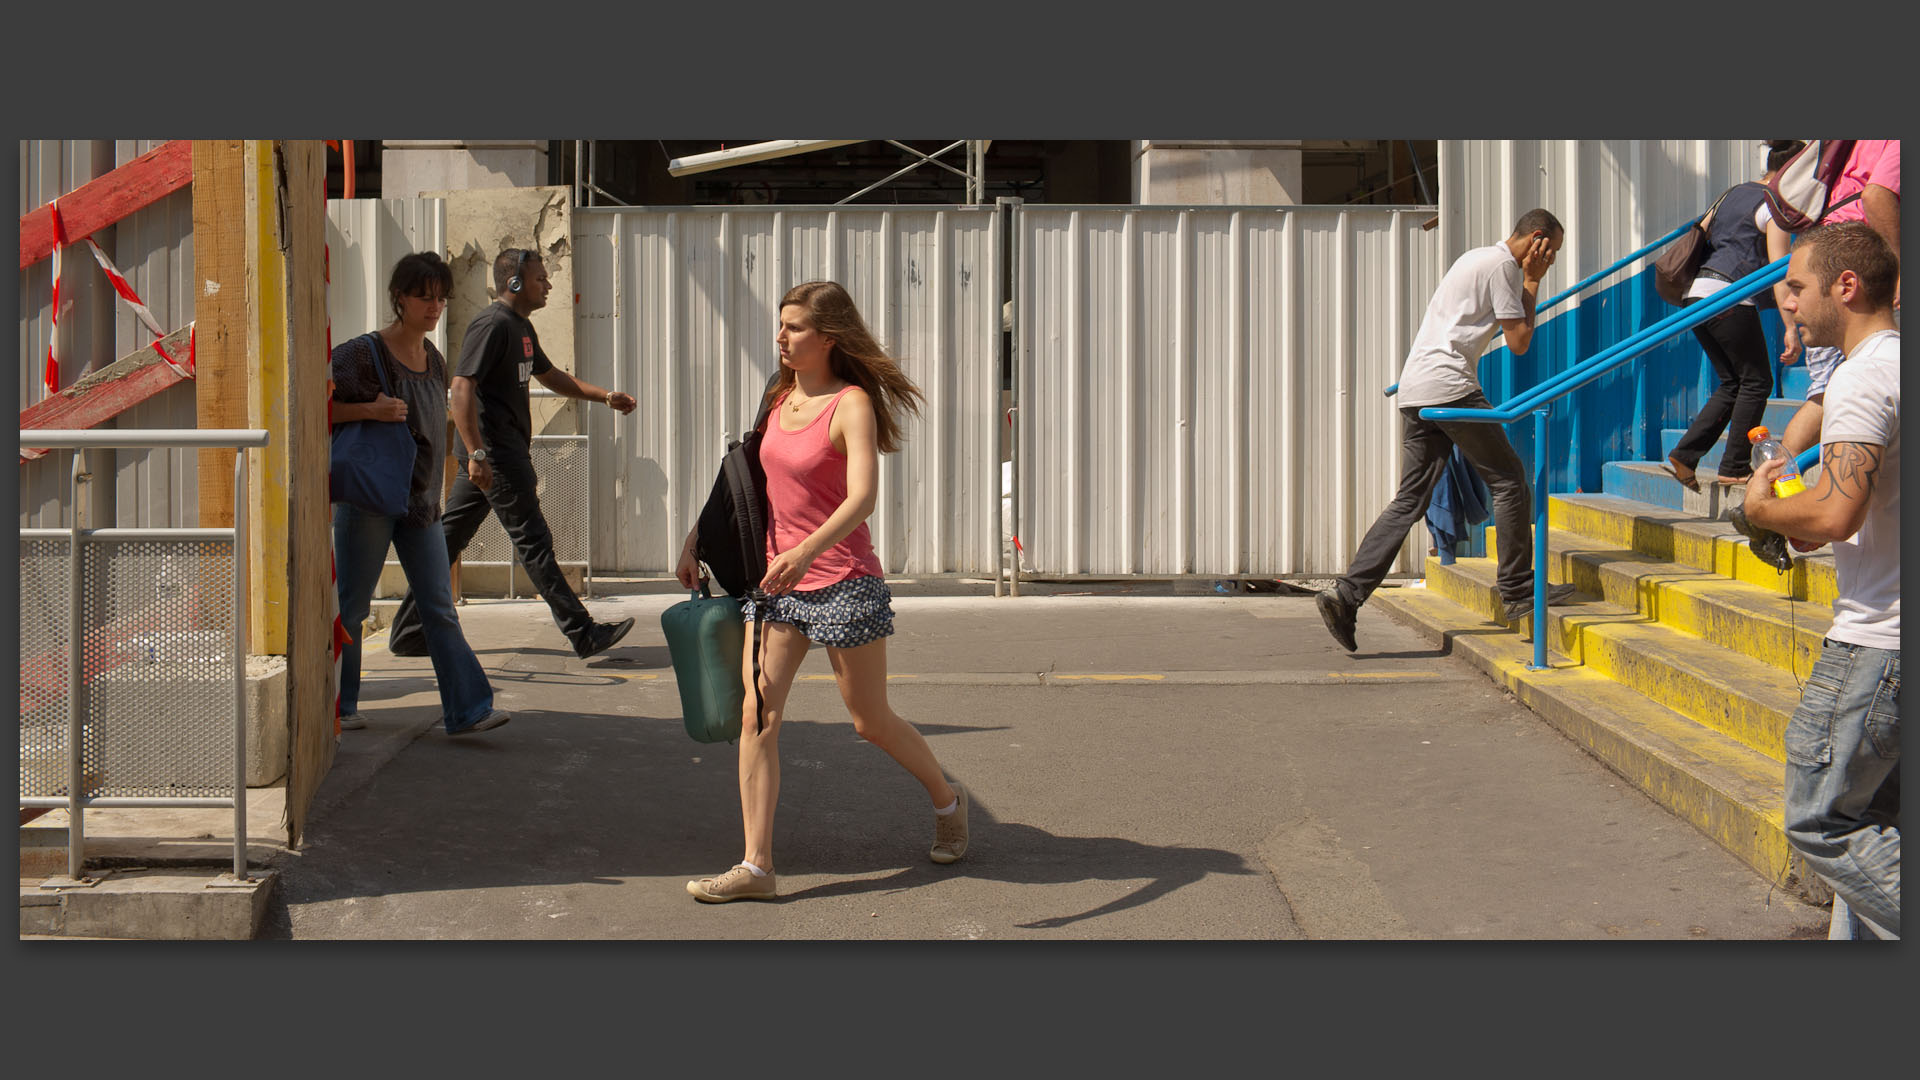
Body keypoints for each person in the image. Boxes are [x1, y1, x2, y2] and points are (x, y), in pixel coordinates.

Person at [674, 281, 967, 902]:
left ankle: (947, 799)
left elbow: (863, 495)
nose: (780, 337)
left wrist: (807, 550)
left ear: (829, 338)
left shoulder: (851, 403)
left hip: (842, 581)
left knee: (869, 721)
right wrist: (699, 536)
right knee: (757, 715)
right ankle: (757, 867)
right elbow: (745, 474)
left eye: (794, 328)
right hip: (775, 584)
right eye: (780, 326)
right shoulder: (779, 395)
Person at [1317, 209, 1578, 652]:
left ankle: (1346, 594)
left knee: (1409, 500)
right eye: (1550, 250)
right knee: (1510, 481)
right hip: (1450, 388)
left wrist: (1526, 283)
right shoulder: (1504, 269)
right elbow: (1519, 343)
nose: (1550, 259)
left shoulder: (1476, 259)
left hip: (1416, 387)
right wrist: (1533, 280)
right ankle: (1517, 591)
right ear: (1537, 239)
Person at [1741, 221, 1900, 940]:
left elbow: (1836, 510)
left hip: (1877, 645)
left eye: (1798, 289)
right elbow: (1861, 509)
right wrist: (1797, 518)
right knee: (1875, 825)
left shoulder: (1863, 377)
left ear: (1847, 285)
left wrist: (1763, 507)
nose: (1792, 306)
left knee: (1821, 823)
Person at [387, 247, 638, 660]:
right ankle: (583, 632)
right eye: (541, 279)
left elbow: (551, 375)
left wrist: (604, 396)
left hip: (494, 458)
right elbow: (463, 386)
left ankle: (408, 632)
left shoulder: (519, 326)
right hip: (496, 458)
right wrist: (477, 454)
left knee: (446, 543)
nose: (548, 285)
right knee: (534, 543)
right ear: (516, 283)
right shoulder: (492, 324)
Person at [330, 253, 509, 736]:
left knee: (438, 607)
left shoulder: (434, 359)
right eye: (424, 296)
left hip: (421, 503)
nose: (435, 306)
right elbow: (316, 407)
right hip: (368, 499)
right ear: (399, 298)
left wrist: (471, 457)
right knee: (351, 607)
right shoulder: (361, 353)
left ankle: (468, 710)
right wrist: (370, 408)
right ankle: (339, 706)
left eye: (441, 298)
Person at [1665, 141, 1804, 492]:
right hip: (1730, 296)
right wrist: (1791, 327)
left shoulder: (1734, 192)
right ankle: (1734, 465)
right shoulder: (1775, 205)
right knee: (1757, 381)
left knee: (1734, 382)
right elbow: (1777, 267)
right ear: (1793, 171)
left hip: (1698, 293)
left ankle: (1685, 454)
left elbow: (1706, 233)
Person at [1768, 141, 1900, 458]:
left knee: (1828, 389)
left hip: (1826, 253)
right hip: (1854, 259)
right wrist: (1899, 269)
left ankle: (1776, 478)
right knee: (1829, 392)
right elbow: (1876, 195)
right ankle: (1778, 477)